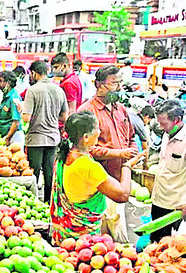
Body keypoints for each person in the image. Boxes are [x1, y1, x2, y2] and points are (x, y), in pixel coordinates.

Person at [50, 111, 133, 244]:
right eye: (97, 129)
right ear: (86, 137)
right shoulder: (88, 166)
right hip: (83, 240)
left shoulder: (63, 155)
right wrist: (127, 166)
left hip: (64, 235)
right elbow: (122, 195)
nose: (99, 132)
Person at [78, 65, 137, 243]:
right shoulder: (87, 111)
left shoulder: (121, 110)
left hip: (119, 179)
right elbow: (85, 149)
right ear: (99, 85)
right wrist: (119, 153)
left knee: (116, 234)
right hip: (97, 185)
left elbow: (131, 137)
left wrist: (131, 151)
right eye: (114, 84)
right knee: (98, 237)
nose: (118, 88)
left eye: (120, 83)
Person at [149, 99, 186, 243]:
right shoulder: (166, 135)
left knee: (169, 246)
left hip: (175, 205)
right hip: (158, 199)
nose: (161, 127)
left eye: (164, 123)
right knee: (154, 241)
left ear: (177, 120)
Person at [23, 60, 69, 202]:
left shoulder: (33, 90)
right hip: (53, 138)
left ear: (34, 73)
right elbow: (64, 116)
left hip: (35, 139)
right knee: (49, 173)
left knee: (33, 174)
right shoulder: (59, 90)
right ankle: (49, 204)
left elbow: (26, 118)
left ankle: (32, 203)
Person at [0, 71, 25, 147]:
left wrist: (8, 138)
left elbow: (16, 122)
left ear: (8, 83)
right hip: (7, 135)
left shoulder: (14, 98)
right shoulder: (7, 95)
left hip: (14, 136)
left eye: (0, 81)